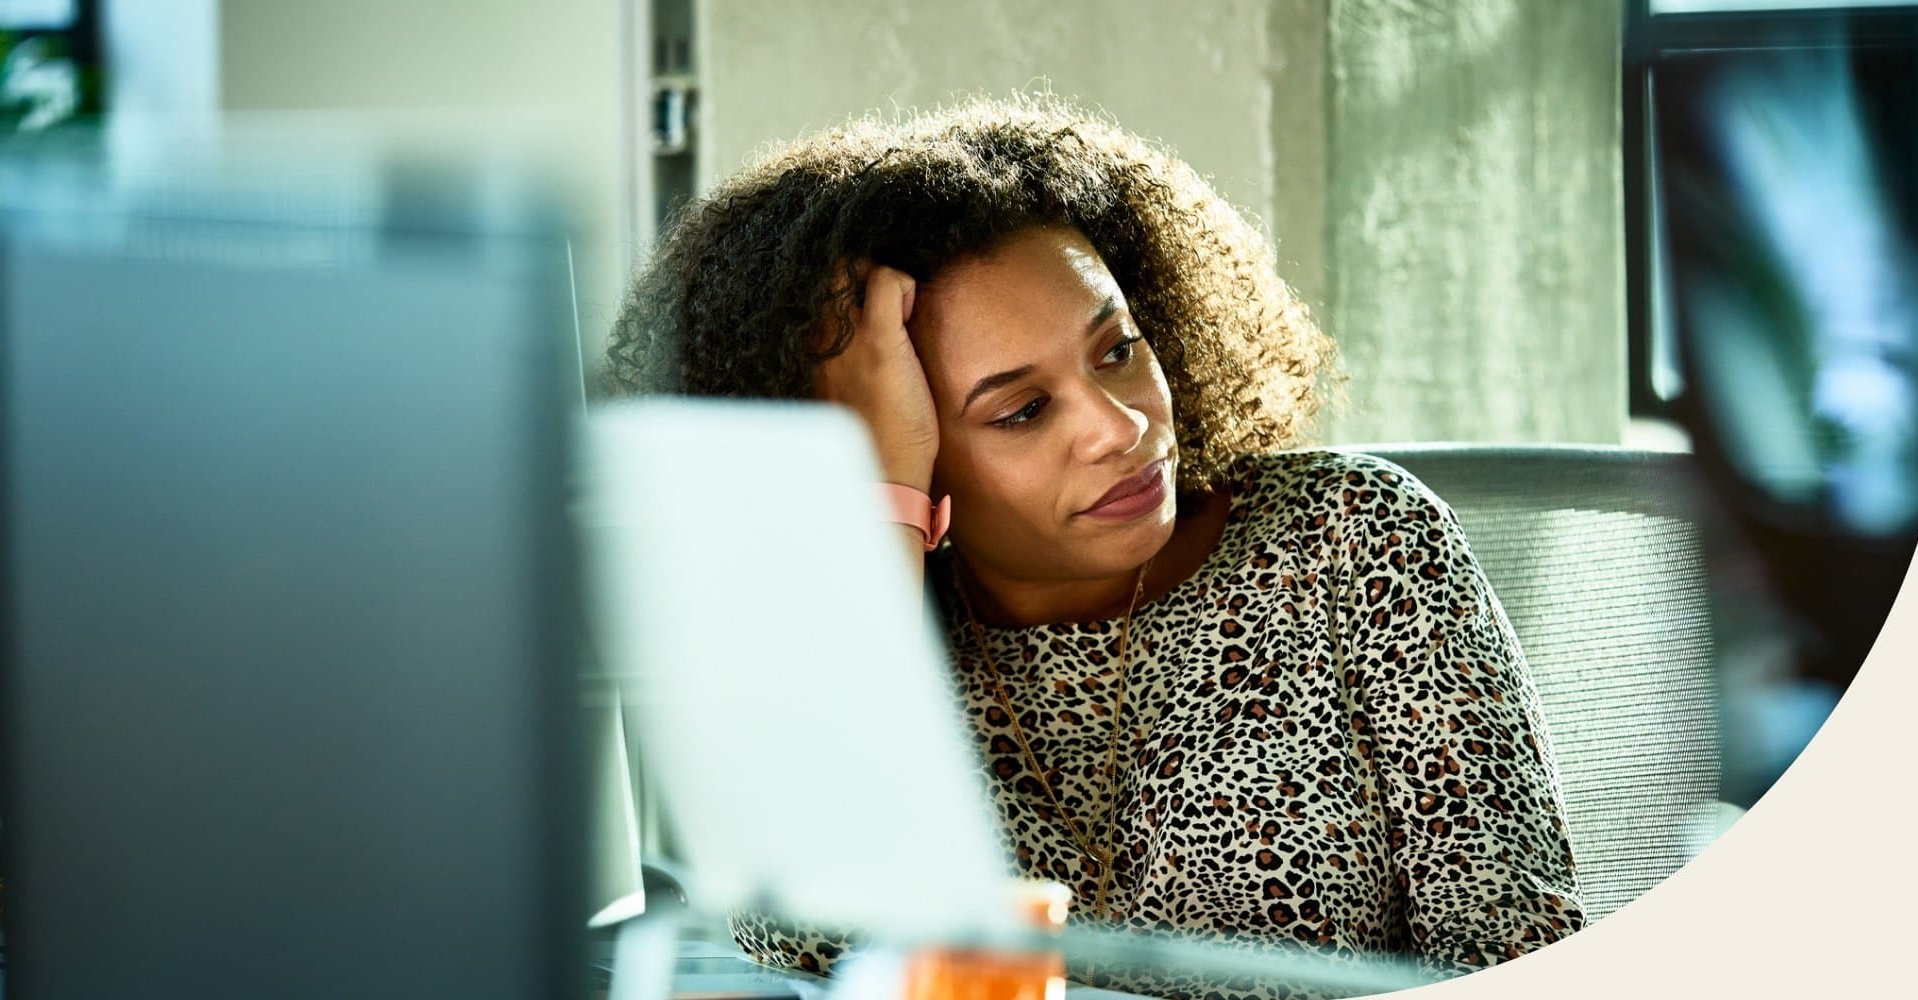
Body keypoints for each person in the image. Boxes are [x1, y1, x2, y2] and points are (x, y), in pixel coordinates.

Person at [604, 96, 1582, 986]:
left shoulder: (1354, 538)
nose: (1118, 424)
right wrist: (881, 506)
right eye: (1021, 410)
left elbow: (1518, 956)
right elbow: (808, 944)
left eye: (1118, 349)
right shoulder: (857, 645)